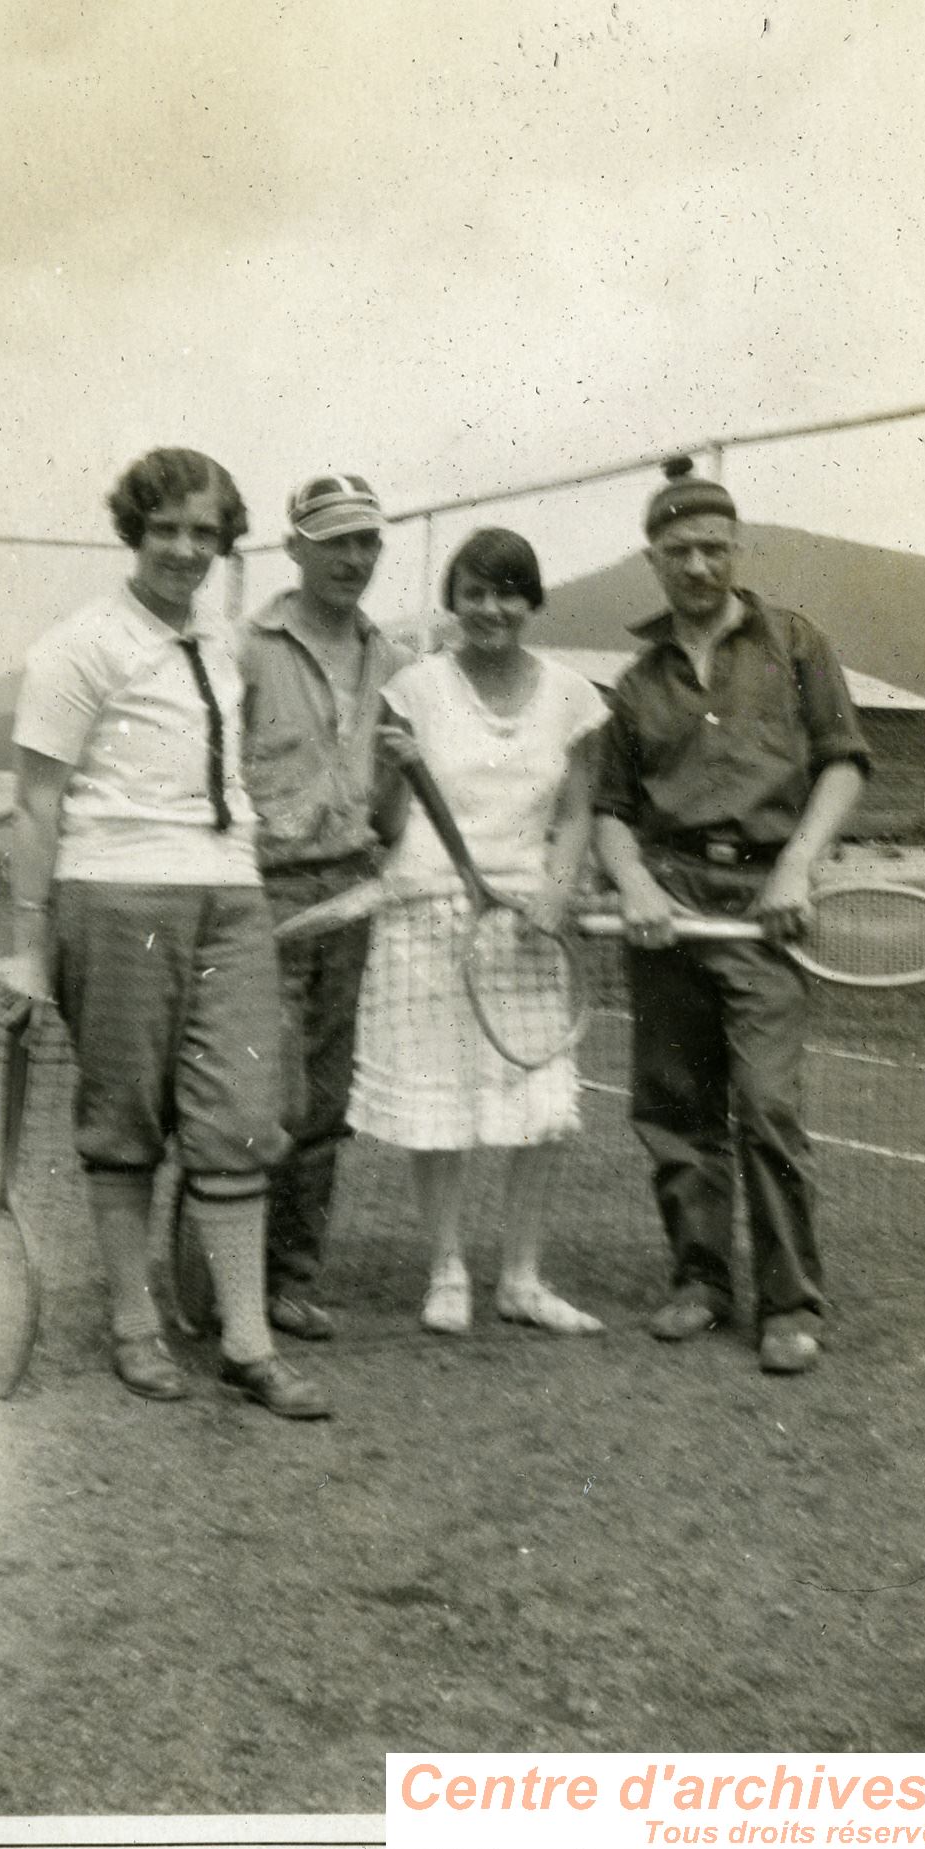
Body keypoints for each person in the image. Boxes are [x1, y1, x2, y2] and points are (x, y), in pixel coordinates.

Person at [8, 446, 329, 1419]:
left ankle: (244, 1342)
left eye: (204, 532)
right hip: (113, 898)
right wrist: (27, 948)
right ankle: (135, 1327)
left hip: (231, 898)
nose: (186, 549)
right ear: (134, 533)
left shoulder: (232, 644)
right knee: (126, 1122)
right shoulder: (79, 644)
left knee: (239, 1118)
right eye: (166, 530)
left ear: (224, 540)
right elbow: (34, 802)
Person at [593, 457, 871, 1376]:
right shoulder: (636, 684)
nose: (699, 566)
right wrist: (634, 887)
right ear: (655, 559)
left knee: (766, 1103)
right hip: (669, 906)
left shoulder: (796, 645)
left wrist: (797, 865)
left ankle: (790, 1300)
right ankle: (701, 1283)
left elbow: (843, 763)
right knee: (676, 1110)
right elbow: (610, 811)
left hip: (767, 908)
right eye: (679, 551)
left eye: (714, 548)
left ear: (736, 549)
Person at [348, 527, 608, 1337]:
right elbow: (383, 816)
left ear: (531, 602)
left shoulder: (574, 695)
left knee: (539, 1106)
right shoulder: (414, 688)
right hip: (427, 911)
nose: (490, 609)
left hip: (526, 924)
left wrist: (557, 895)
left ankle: (522, 1278)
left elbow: (575, 814)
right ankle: (447, 1270)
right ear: (452, 601)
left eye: (507, 592)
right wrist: (391, 768)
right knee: (440, 1103)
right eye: (474, 593)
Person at [242, 474, 412, 1344]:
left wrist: (403, 782)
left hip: (353, 893)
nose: (354, 558)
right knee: (261, 1094)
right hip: (262, 894)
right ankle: (223, 1270)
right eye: (337, 540)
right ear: (295, 547)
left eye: (367, 542)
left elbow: (394, 810)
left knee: (323, 1100)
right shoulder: (246, 649)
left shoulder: (396, 660)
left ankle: (291, 1281)